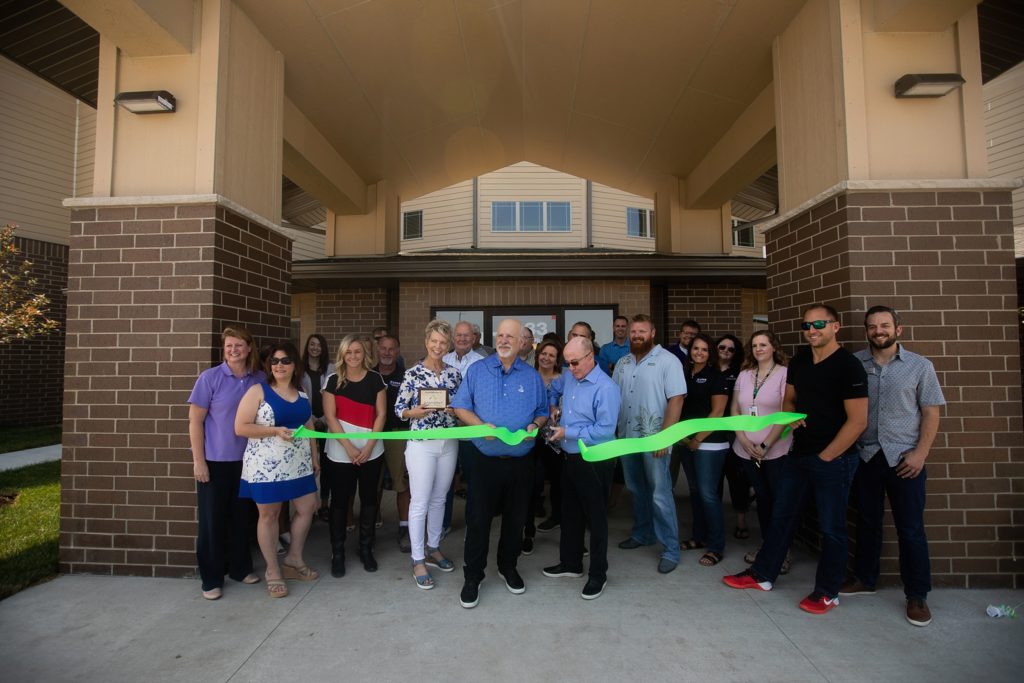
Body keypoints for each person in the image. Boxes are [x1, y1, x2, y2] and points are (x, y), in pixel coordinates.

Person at [724, 303, 868, 616]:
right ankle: (762, 575)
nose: (812, 331)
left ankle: (828, 592)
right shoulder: (801, 361)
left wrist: (827, 456)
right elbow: (789, 402)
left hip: (833, 459)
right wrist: (791, 419)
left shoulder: (848, 366)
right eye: (807, 326)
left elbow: (858, 421)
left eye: (819, 325)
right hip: (798, 454)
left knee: (832, 528)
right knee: (781, 517)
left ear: (835, 327)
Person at [841, 306, 945, 627]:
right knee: (868, 522)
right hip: (867, 456)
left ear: (898, 329)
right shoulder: (855, 364)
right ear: (867, 331)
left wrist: (920, 453)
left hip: (905, 459)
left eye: (884, 325)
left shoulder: (919, 366)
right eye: (872, 326)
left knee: (910, 528)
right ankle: (865, 579)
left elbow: (931, 412)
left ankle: (917, 594)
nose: (878, 331)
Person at [452, 318, 548, 608]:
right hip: (485, 461)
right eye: (501, 335)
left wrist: (535, 424)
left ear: (523, 343)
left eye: (511, 336)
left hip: (520, 462)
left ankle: (508, 567)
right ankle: (473, 576)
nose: (505, 340)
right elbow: (460, 407)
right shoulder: (477, 371)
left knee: (515, 519)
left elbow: (542, 411)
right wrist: (482, 427)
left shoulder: (531, 376)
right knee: (478, 519)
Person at [235, 341, 321, 598]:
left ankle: (294, 559)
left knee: (308, 508)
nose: (279, 365)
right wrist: (274, 430)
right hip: (266, 466)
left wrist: (314, 456)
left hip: (299, 463)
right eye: (274, 361)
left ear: (295, 365)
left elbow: (309, 425)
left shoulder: (302, 391)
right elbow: (240, 427)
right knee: (269, 516)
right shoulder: (257, 391)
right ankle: (273, 570)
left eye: (285, 361)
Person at [542, 337, 620, 600]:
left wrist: (567, 431)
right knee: (570, 512)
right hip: (570, 457)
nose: (571, 368)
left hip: (595, 460)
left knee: (595, 519)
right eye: (567, 363)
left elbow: (605, 430)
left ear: (590, 358)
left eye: (575, 363)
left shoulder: (606, 387)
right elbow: (553, 387)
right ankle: (571, 563)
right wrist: (553, 406)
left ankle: (598, 574)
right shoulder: (569, 376)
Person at [187, 327, 263, 600]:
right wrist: (199, 462)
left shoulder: (259, 379)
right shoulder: (210, 378)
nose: (234, 350)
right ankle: (211, 578)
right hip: (216, 461)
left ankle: (240, 569)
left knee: (242, 519)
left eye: (239, 345)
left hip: (249, 462)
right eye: (229, 345)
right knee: (212, 522)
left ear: (249, 348)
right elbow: (195, 421)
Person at [613, 314, 686, 574]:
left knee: (660, 493)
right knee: (635, 487)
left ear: (652, 333)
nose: (636, 336)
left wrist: (665, 438)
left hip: (655, 439)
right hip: (627, 439)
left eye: (641, 331)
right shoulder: (622, 363)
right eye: (633, 332)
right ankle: (643, 533)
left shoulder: (668, 361)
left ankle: (671, 549)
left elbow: (677, 399)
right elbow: (615, 399)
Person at [394, 319, 463, 589]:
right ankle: (418, 558)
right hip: (422, 443)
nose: (438, 346)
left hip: (448, 442)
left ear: (448, 345)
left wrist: (452, 410)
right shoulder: (412, 374)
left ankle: (434, 547)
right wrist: (415, 412)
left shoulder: (455, 374)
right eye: (434, 341)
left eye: (443, 342)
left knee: (439, 499)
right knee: (420, 500)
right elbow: (399, 410)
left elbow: (462, 406)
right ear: (426, 342)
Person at [322, 335, 388, 577]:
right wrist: (349, 448)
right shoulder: (332, 380)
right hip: (341, 453)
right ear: (342, 354)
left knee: (369, 500)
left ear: (364, 354)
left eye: (357, 352)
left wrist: (369, 446)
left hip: (372, 451)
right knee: (339, 502)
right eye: (348, 352)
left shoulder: (375, 379)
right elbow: (330, 416)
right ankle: (337, 553)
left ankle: (365, 548)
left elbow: (381, 414)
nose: (353, 356)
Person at [730, 330, 792, 573]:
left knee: (779, 501)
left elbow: (785, 413)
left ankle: (782, 551)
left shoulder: (785, 375)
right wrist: (743, 439)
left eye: (763, 344)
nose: (758, 349)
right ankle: (768, 547)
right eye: (754, 345)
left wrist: (766, 445)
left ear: (774, 347)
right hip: (746, 451)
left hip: (776, 451)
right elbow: (735, 409)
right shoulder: (745, 375)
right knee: (763, 500)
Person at [677, 334, 730, 567]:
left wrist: (698, 438)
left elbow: (717, 413)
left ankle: (716, 546)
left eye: (705, 349)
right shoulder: (683, 375)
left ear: (711, 354)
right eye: (695, 348)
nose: (699, 352)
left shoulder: (716, 377)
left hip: (709, 443)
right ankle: (699, 537)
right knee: (696, 492)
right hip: (687, 442)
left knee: (708, 494)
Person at [375, 334, 411, 553]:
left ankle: (404, 527)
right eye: (383, 348)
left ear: (398, 352)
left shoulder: (406, 376)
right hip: (372, 435)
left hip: (398, 434)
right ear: (377, 350)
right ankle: (370, 522)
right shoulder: (367, 374)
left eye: (392, 349)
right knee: (373, 482)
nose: (387, 353)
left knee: (402, 484)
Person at [715, 334, 752, 541]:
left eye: (731, 349)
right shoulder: (709, 370)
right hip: (711, 432)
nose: (726, 351)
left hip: (734, 433)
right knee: (714, 479)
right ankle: (715, 521)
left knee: (737, 477)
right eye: (722, 347)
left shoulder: (741, 374)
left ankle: (741, 520)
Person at [301, 333, 335, 522]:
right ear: (307, 346)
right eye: (312, 344)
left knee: (327, 464)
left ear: (323, 349)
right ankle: (310, 505)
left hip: (328, 422)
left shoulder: (331, 368)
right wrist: (312, 419)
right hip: (307, 422)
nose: (315, 348)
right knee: (309, 464)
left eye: (319, 345)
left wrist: (323, 418)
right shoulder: (300, 369)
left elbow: (334, 395)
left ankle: (324, 504)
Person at [532, 340, 564, 538]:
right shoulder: (529, 377)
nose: (546, 358)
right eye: (544, 353)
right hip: (532, 435)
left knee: (557, 479)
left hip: (556, 438)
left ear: (557, 359)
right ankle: (533, 512)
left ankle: (557, 516)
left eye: (551, 355)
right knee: (534, 478)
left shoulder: (563, 379)